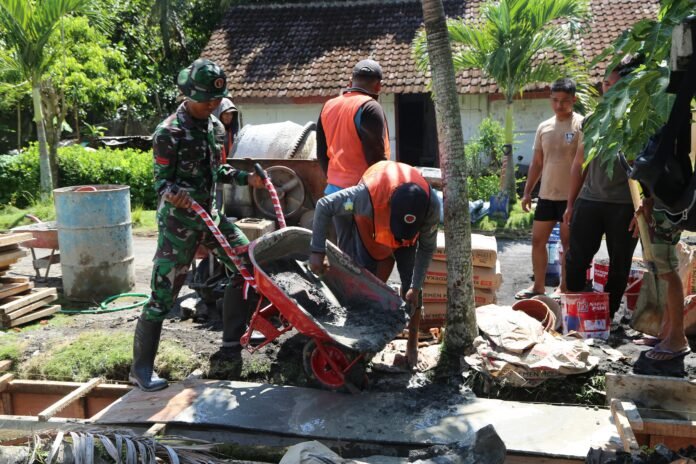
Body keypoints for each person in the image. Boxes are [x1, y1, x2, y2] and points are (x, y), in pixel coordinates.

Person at [130, 58, 263, 392]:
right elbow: (161, 183)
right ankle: (141, 369)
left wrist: (248, 179)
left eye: (217, 100)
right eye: (206, 100)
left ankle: (230, 345)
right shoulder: (168, 132)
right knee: (163, 296)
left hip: (211, 217)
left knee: (247, 265)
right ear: (188, 95)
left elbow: (218, 171)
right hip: (179, 224)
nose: (213, 105)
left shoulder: (215, 127)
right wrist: (176, 195)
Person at [309, 160, 440, 368]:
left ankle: (412, 346)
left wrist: (415, 286)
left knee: (413, 289)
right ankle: (359, 344)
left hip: (409, 241)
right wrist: (317, 250)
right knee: (366, 282)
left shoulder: (431, 206)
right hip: (370, 226)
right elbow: (324, 205)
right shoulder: (366, 197)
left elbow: (426, 249)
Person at [564, 58, 641, 318]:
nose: (607, 89)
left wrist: (642, 208)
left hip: (624, 205)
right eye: (605, 84)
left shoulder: (639, 119)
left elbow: (649, 169)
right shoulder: (592, 120)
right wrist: (571, 204)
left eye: (613, 84)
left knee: (620, 264)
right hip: (590, 200)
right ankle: (576, 313)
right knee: (576, 259)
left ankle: (607, 316)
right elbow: (579, 163)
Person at [516, 78, 584, 300]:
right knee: (537, 241)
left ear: (574, 100)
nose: (559, 105)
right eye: (555, 100)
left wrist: (574, 201)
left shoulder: (582, 125)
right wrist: (527, 192)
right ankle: (538, 286)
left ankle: (564, 287)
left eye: (564, 100)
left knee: (568, 244)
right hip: (546, 196)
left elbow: (583, 164)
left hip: (571, 198)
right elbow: (537, 163)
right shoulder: (543, 127)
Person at [316, 59, 391, 252]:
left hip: (334, 193)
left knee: (345, 250)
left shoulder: (328, 106)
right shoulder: (370, 107)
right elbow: (376, 159)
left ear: (350, 82)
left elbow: (321, 154)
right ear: (378, 86)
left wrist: (334, 180)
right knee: (369, 253)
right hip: (363, 195)